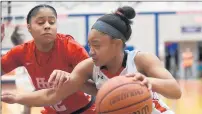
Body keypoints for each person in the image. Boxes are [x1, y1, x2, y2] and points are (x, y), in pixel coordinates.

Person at [2, 6, 182, 114]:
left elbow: (175, 91)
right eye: (89, 45)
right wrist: (18, 97)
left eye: (96, 45)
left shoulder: (142, 59)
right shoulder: (87, 67)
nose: (91, 51)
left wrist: (147, 80)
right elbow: (52, 95)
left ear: (117, 44)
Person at [1, 4, 96, 114]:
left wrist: (75, 78)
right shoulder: (21, 52)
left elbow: (96, 87)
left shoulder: (71, 47)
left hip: (85, 110)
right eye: (40, 22)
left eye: (52, 22)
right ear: (29, 27)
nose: (47, 26)